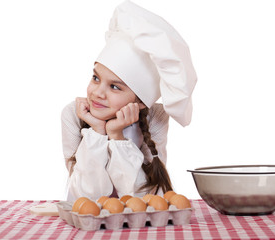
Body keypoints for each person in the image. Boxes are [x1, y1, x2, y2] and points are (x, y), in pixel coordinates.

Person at [61, 0, 197, 202]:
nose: (98, 93)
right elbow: (84, 198)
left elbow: (145, 199)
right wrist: (97, 131)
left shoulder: (155, 117)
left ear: (141, 102)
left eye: (115, 87)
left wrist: (116, 136)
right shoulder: (75, 113)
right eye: (96, 78)